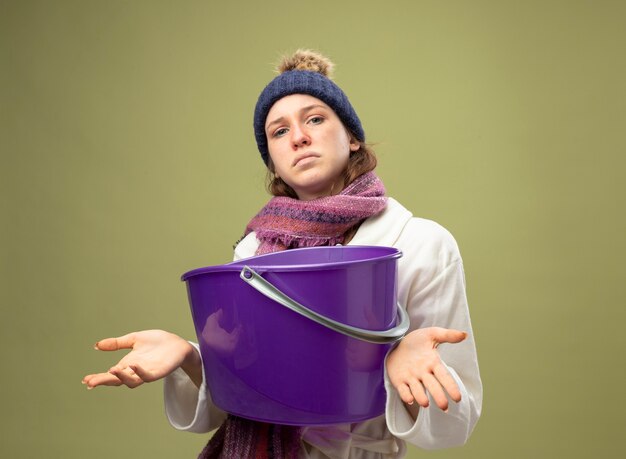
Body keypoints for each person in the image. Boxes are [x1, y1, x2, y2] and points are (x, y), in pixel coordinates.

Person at [83, 49, 482, 459]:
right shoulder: (253, 251)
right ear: (273, 162)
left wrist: (408, 366)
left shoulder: (421, 243)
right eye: (278, 131)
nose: (299, 137)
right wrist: (192, 359)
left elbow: (457, 423)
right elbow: (245, 394)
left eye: (315, 119)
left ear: (352, 135)